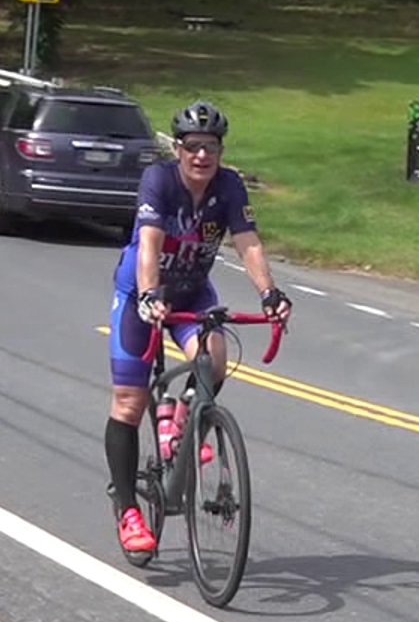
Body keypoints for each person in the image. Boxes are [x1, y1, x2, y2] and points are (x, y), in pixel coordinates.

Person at [104, 99, 292, 556]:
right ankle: (128, 509)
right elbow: (147, 243)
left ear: (220, 150)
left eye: (211, 147)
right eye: (192, 146)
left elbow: (247, 243)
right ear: (180, 149)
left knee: (216, 359)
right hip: (142, 296)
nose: (202, 156)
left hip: (192, 293)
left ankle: (183, 421)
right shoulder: (159, 181)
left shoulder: (228, 187)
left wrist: (270, 293)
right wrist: (149, 295)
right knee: (130, 403)